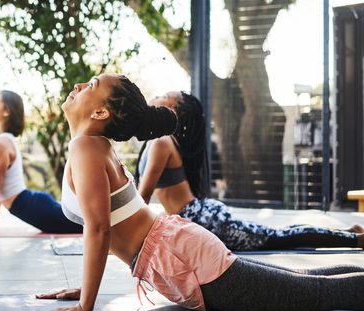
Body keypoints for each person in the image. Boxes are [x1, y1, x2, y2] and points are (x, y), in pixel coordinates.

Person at [28, 74, 364, 311]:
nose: (78, 87)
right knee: (306, 284)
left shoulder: (86, 147)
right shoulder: (92, 147)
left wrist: (86, 303)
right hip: (180, 251)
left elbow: (100, 228)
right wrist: (86, 290)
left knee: (315, 293)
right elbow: (107, 224)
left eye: (90, 85)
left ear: (101, 113)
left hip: (184, 257)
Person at [135, 91, 364, 251]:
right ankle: (347, 232)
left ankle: (354, 239)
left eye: (165, 95)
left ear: (172, 108)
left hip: (202, 220)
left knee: (279, 238)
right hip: (198, 217)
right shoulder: (159, 141)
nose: (157, 95)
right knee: (277, 234)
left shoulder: (162, 142)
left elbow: (142, 196)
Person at [0, 90, 82, 236]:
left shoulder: (1, 144)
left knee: (89, 225)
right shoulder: (1, 140)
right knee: (86, 223)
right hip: (32, 205)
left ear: (7, 111)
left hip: (34, 207)